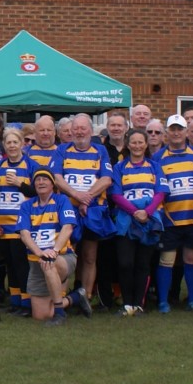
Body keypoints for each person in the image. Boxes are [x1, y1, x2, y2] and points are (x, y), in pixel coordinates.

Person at [54, 114, 115, 310]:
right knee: (65, 254)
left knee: (89, 255)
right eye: (76, 128)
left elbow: (106, 179)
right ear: (70, 131)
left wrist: (86, 197)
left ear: (90, 130)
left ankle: (85, 298)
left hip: (93, 209)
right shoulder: (62, 150)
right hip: (67, 209)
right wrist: (75, 194)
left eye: (83, 128)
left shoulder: (100, 150)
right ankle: (62, 297)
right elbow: (56, 178)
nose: (79, 132)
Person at [110, 130, 165, 316]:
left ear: (146, 144)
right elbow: (116, 194)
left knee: (143, 263)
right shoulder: (119, 167)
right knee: (125, 263)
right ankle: (127, 304)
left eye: (140, 142)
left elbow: (161, 192)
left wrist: (147, 212)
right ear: (128, 144)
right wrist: (135, 212)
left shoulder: (155, 166)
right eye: (133, 142)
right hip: (126, 221)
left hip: (149, 221)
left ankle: (138, 304)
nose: (137, 146)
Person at [156, 115, 193, 313]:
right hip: (169, 218)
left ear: (186, 132)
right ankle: (163, 301)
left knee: (191, 259)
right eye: (172, 129)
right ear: (166, 132)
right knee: (166, 260)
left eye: (180, 129)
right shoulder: (158, 157)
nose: (176, 133)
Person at [19, 169, 81, 324]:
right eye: (38, 180)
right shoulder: (26, 205)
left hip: (62, 257)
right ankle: (75, 297)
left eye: (45, 179)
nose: (41, 182)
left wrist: (53, 251)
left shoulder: (62, 200)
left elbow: (67, 228)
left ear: (53, 184)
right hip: (36, 260)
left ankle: (60, 314)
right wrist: (40, 252)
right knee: (41, 315)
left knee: (49, 263)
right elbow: (24, 234)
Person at [0, 129, 34, 314]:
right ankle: (15, 302)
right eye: (9, 143)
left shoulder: (31, 165)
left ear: (22, 143)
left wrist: (19, 184)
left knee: (21, 264)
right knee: (9, 264)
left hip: (21, 225)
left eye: (16, 142)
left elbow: (38, 193)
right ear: (4, 146)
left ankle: (26, 302)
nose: (12, 146)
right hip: (2, 224)